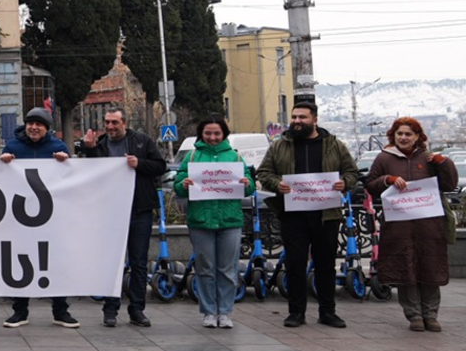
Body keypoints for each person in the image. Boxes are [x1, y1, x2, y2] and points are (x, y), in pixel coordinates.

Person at [256, 101, 357, 329]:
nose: (297, 121)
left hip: (326, 215)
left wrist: (345, 183)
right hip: (293, 215)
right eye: (294, 117)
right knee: (295, 265)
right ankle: (296, 312)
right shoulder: (280, 145)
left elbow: (351, 172)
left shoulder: (334, 145)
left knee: (325, 265)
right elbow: (264, 172)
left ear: (315, 119)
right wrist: (277, 184)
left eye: (302, 117)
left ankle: (327, 312)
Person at [364, 117, 459, 332]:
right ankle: (414, 315)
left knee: (430, 269)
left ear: (417, 137)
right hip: (399, 226)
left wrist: (444, 164)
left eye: (408, 134)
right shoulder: (384, 158)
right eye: (399, 134)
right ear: (393, 136)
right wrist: (387, 179)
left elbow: (449, 184)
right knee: (405, 269)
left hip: (429, 226)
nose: (403, 138)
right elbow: (371, 184)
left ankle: (431, 315)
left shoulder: (429, 159)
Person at [81, 106, 166, 327]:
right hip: (110, 213)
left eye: (114, 123)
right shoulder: (99, 145)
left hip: (139, 211)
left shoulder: (141, 141)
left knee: (138, 263)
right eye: (107, 123)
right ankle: (110, 309)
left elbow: (160, 166)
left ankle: (137, 310)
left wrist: (140, 164)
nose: (110, 126)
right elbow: (90, 174)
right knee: (112, 262)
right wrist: (89, 149)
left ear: (124, 123)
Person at [172, 115, 255, 329]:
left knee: (228, 269)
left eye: (216, 133)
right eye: (208, 133)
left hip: (229, 220)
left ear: (224, 134)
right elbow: (178, 186)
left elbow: (249, 185)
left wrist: (247, 183)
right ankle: (209, 311)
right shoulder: (192, 156)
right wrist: (184, 183)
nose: (212, 137)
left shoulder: (235, 157)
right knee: (205, 268)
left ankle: (225, 312)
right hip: (201, 220)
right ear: (201, 134)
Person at [0, 107, 74, 329]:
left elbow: (71, 179)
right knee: (22, 264)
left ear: (46, 128)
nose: (34, 127)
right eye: (31, 123)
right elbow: (1, 180)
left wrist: (67, 162)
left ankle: (61, 311)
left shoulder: (57, 148)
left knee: (55, 263)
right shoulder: (13, 147)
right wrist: (2, 164)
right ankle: (19, 312)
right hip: (20, 217)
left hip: (51, 219)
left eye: (39, 124)